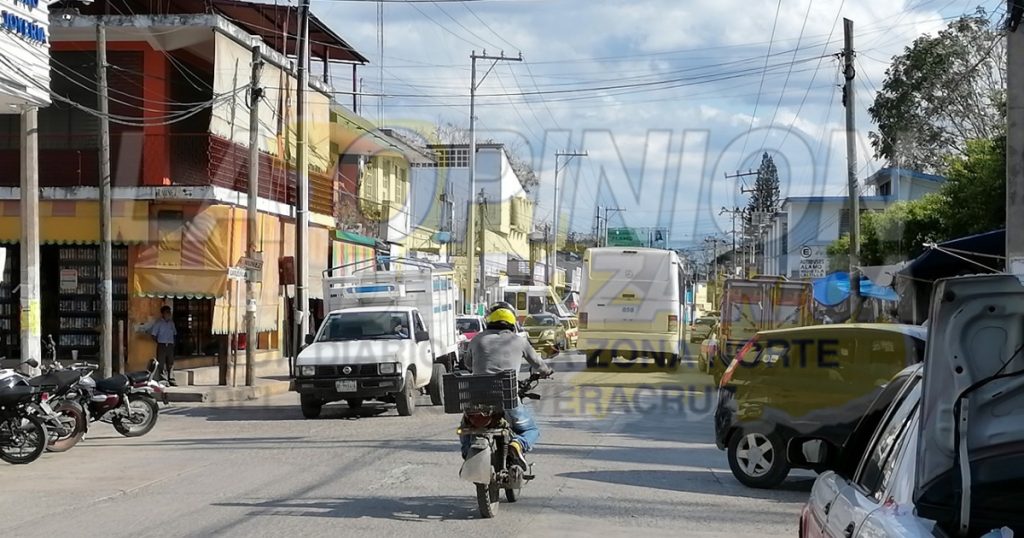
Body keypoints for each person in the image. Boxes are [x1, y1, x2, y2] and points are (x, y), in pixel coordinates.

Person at [462, 302, 553, 469]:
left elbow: (467, 363)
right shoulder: (519, 341)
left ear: (489, 321)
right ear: (512, 324)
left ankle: (467, 452)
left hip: (477, 399)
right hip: (507, 398)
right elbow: (539, 365)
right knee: (531, 430)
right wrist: (546, 371)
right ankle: (518, 444)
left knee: (465, 427)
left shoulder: (476, 339)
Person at [150, 305, 177, 385]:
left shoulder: (171, 323)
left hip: (170, 344)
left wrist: (173, 343)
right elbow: (153, 335)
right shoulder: (159, 323)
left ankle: (171, 378)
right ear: (163, 314)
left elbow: (174, 334)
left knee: (170, 362)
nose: (168, 314)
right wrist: (158, 341)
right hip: (161, 344)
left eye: (169, 312)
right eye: (167, 312)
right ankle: (163, 379)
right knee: (161, 363)